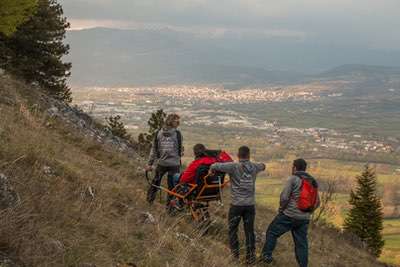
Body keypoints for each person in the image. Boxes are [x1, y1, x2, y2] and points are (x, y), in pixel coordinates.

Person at [209, 146, 266, 265]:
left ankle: (235, 256)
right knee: (249, 231)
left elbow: (216, 165)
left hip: (236, 205)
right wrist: (257, 165)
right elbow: (263, 166)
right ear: (249, 155)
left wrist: (211, 169)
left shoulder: (233, 166)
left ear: (238, 155)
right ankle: (250, 259)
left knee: (232, 230)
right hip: (250, 205)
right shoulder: (255, 167)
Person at [261, 158, 320, 267]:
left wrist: (281, 209)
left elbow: (284, 197)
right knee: (301, 244)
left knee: (272, 232)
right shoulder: (313, 181)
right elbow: (317, 202)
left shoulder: (293, 179)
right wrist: (308, 213)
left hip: (289, 215)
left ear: (294, 167)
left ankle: (266, 258)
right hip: (304, 219)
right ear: (305, 168)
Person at [145, 114, 183, 205]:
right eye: (177, 121)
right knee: (172, 188)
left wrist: (150, 164)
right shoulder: (178, 134)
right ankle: (170, 208)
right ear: (173, 122)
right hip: (174, 164)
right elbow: (180, 149)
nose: (178, 123)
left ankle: (149, 200)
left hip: (161, 163)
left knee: (155, 182)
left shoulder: (158, 133)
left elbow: (154, 150)